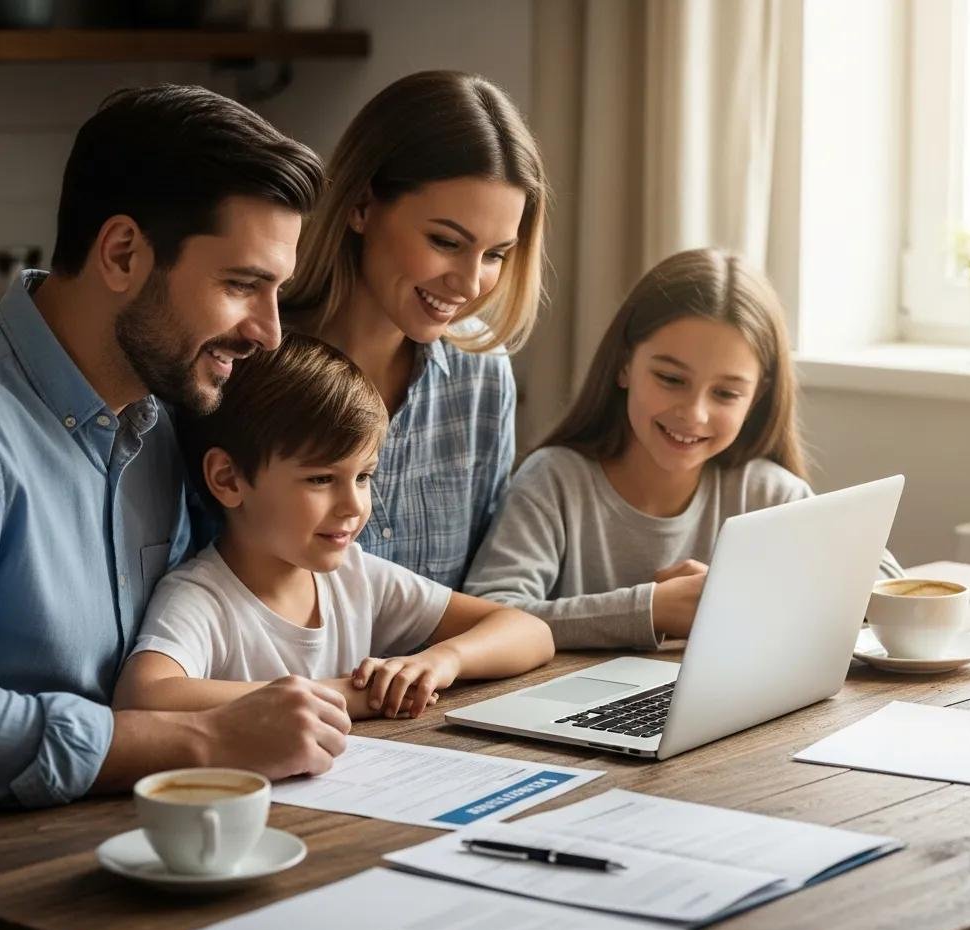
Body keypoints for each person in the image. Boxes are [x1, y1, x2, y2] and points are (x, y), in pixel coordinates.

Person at [0, 84, 352, 811]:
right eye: (241, 285)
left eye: (276, 291)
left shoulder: (176, 415)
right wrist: (204, 741)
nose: (269, 331)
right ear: (123, 253)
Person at [464, 248, 903, 650]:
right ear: (624, 365)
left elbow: (886, 585)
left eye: (726, 394)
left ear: (757, 397)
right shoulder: (555, 481)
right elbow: (487, 614)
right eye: (671, 380)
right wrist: (650, 609)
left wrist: (743, 591)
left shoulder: (767, 493)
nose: (694, 414)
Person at [113, 334, 555, 719]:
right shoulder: (202, 598)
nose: (353, 505)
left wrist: (444, 660)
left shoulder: (357, 579)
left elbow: (529, 631)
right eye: (321, 479)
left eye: (363, 477)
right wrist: (346, 696)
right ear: (229, 479)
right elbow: (144, 696)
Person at [282, 70, 550, 588]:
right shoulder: (254, 362)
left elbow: (489, 593)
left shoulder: (482, 378)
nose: (471, 284)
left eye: (495, 254)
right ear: (361, 206)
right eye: (446, 242)